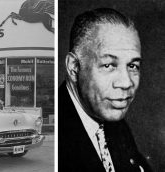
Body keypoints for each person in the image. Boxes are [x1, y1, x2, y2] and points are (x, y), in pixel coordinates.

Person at [59, 8, 152, 172]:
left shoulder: (114, 124)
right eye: (108, 65)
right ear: (74, 67)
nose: (126, 83)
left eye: (132, 66)